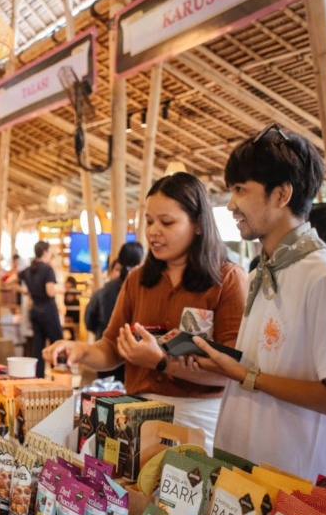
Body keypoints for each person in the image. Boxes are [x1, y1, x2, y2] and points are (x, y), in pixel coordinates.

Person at [190, 124, 326, 482]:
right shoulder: (259, 273)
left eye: (241, 190)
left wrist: (245, 375)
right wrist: (225, 365)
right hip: (245, 471)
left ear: (282, 194)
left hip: (297, 483)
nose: (232, 204)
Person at [44, 173, 247, 452]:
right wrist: (80, 351)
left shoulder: (228, 280)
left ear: (199, 224)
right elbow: (111, 348)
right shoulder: (137, 280)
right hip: (136, 418)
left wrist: (162, 362)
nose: (153, 231)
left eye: (167, 222)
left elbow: (233, 370)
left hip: (201, 422)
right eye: (149, 221)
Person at [20, 241, 64, 378]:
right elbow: (50, 291)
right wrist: (60, 289)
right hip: (48, 310)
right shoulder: (47, 269)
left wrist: (25, 291)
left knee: (37, 347)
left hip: (35, 310)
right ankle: (57, 376)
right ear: (45, 252)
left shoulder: (28, 270)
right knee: (57, 344)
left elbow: (10, 281)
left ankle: (38, 378)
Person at [85, 242, 146, 341]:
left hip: (105, 344)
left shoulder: (105, 290)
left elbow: (89, 322)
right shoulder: (142, 289)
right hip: (133, 345)